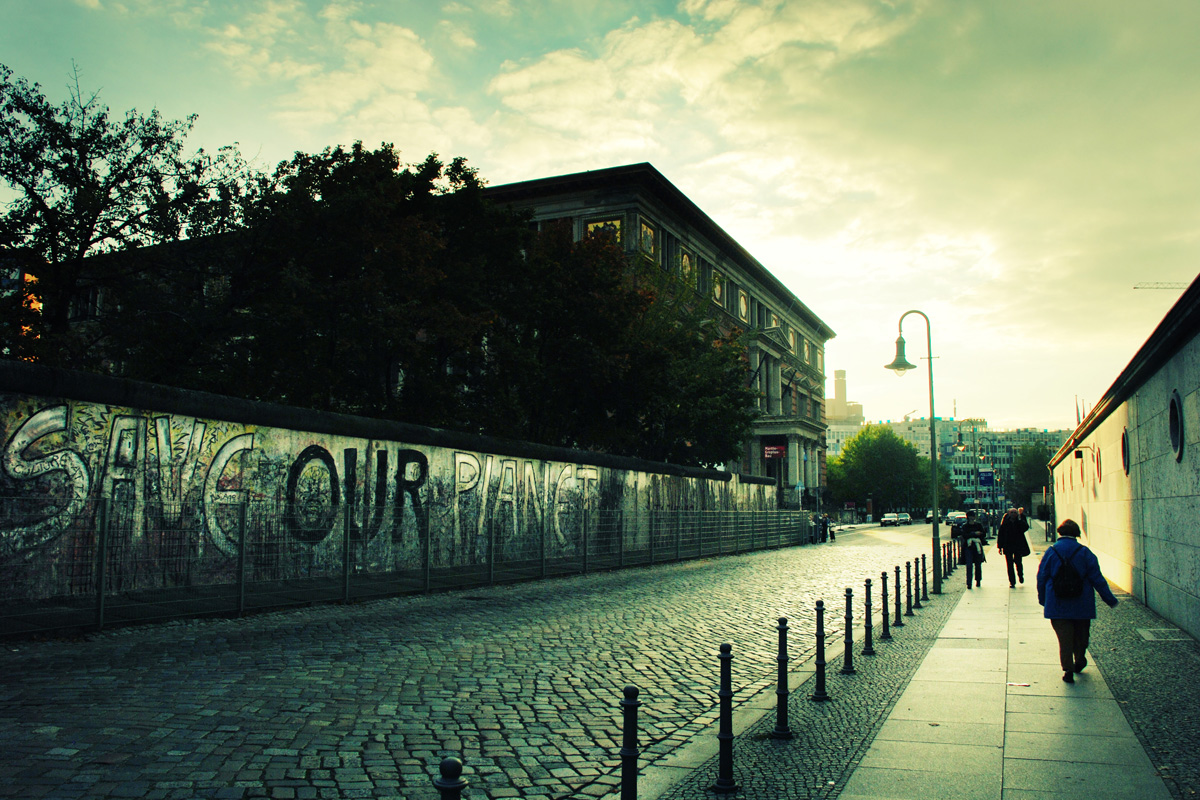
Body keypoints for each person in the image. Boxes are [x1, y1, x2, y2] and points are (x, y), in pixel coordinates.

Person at [1036, 519, 1119, 683]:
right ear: (1076, 534)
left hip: (1057, 603)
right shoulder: (1084, 552)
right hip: (1082, 602)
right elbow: (1097, 578)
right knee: (1081, 635)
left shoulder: (1051, 552)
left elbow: (1041, 577)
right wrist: (1110, 599)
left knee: (1064, 638)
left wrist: (1043, 599)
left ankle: (1067, 669)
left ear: (1059, 533)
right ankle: (1079, 659)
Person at [996, 507, 1031, 587]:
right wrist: (1000, 547)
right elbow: (1001, 534)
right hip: (1007, 545)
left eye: (1015, 512)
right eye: (1012, 512)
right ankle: (1012, 581)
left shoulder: (1019, 521)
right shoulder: (1005, 522)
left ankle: (1020, 575)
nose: (1013, 514)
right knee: (1009, 564)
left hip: (1018, 545)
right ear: (1008, 513)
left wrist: (1020, 519)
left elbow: (1025, 528)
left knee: (1018, 562)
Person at [957, 510, 987, 589]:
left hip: (977, 547)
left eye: (973, 516)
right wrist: (974, 534)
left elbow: (983, 534)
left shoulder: (978, 525)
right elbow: (964, 535)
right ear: (967, 517)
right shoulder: (965, 526)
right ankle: (969, 583)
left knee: (978, 564)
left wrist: (979, 534)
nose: (972, 518)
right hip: (968, 547)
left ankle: (978, 580)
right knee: (969, 565)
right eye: (970, 516)